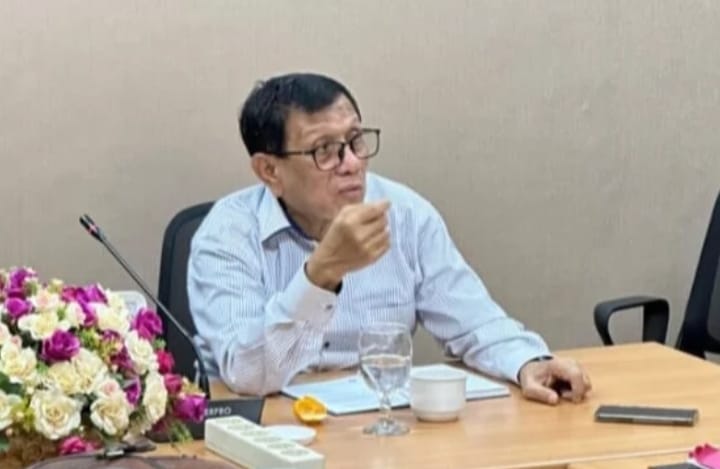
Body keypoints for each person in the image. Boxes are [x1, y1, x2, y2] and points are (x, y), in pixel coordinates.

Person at [187, 72, 591, 403]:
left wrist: (528, 362)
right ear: (270, 171)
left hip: (379, 427)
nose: (351, 164)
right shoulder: (226, 236)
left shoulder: (406, 214)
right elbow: (247, 375)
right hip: (268, 438)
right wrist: (322, 273)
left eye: (356, 141)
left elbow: (474, 321)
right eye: (324, 150)